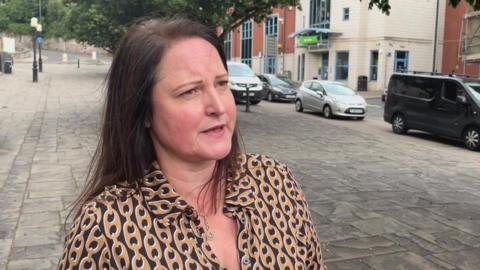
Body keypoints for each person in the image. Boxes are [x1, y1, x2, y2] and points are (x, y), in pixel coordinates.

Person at [58, 17, 325, 270]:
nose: (218, 106)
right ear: (144, 111)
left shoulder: (275, 182)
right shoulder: (106, 227)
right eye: (189, 91)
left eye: (222, 84)